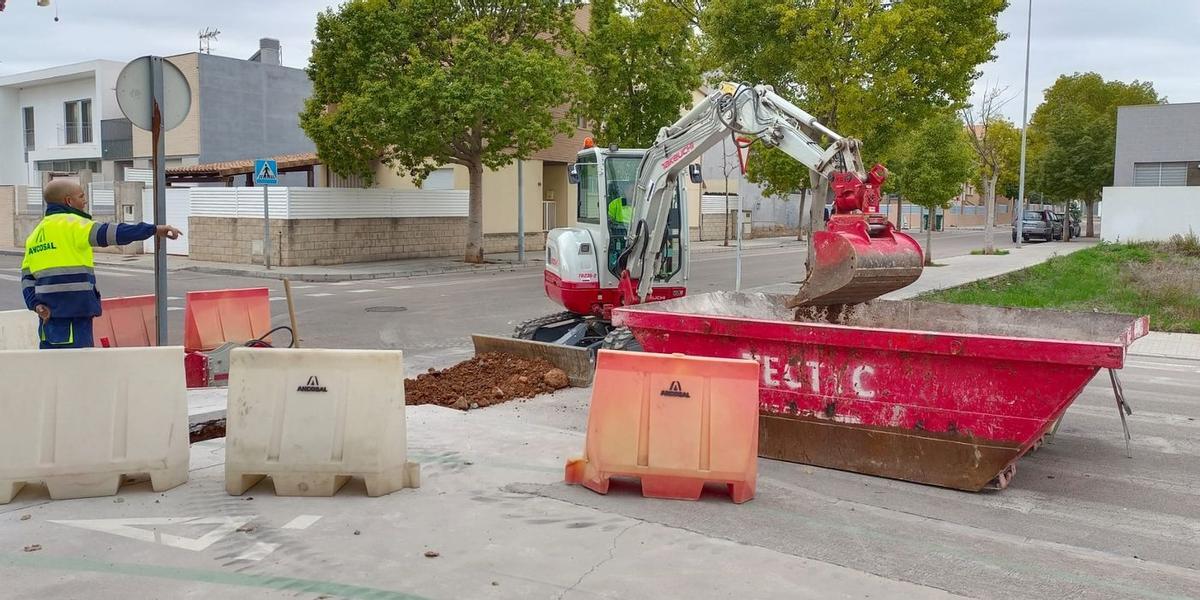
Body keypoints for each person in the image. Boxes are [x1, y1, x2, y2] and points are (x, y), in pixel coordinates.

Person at [20, 179, 181, 349]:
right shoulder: (72, 224)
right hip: (73, 314)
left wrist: (35, 305)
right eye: (81, 196)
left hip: (48, 319)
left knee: (54, 369)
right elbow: (113, 233)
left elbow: (27, 278)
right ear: (68, 201)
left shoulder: (35, 235)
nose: (85, 201)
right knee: (78, 367)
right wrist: (154, 229)